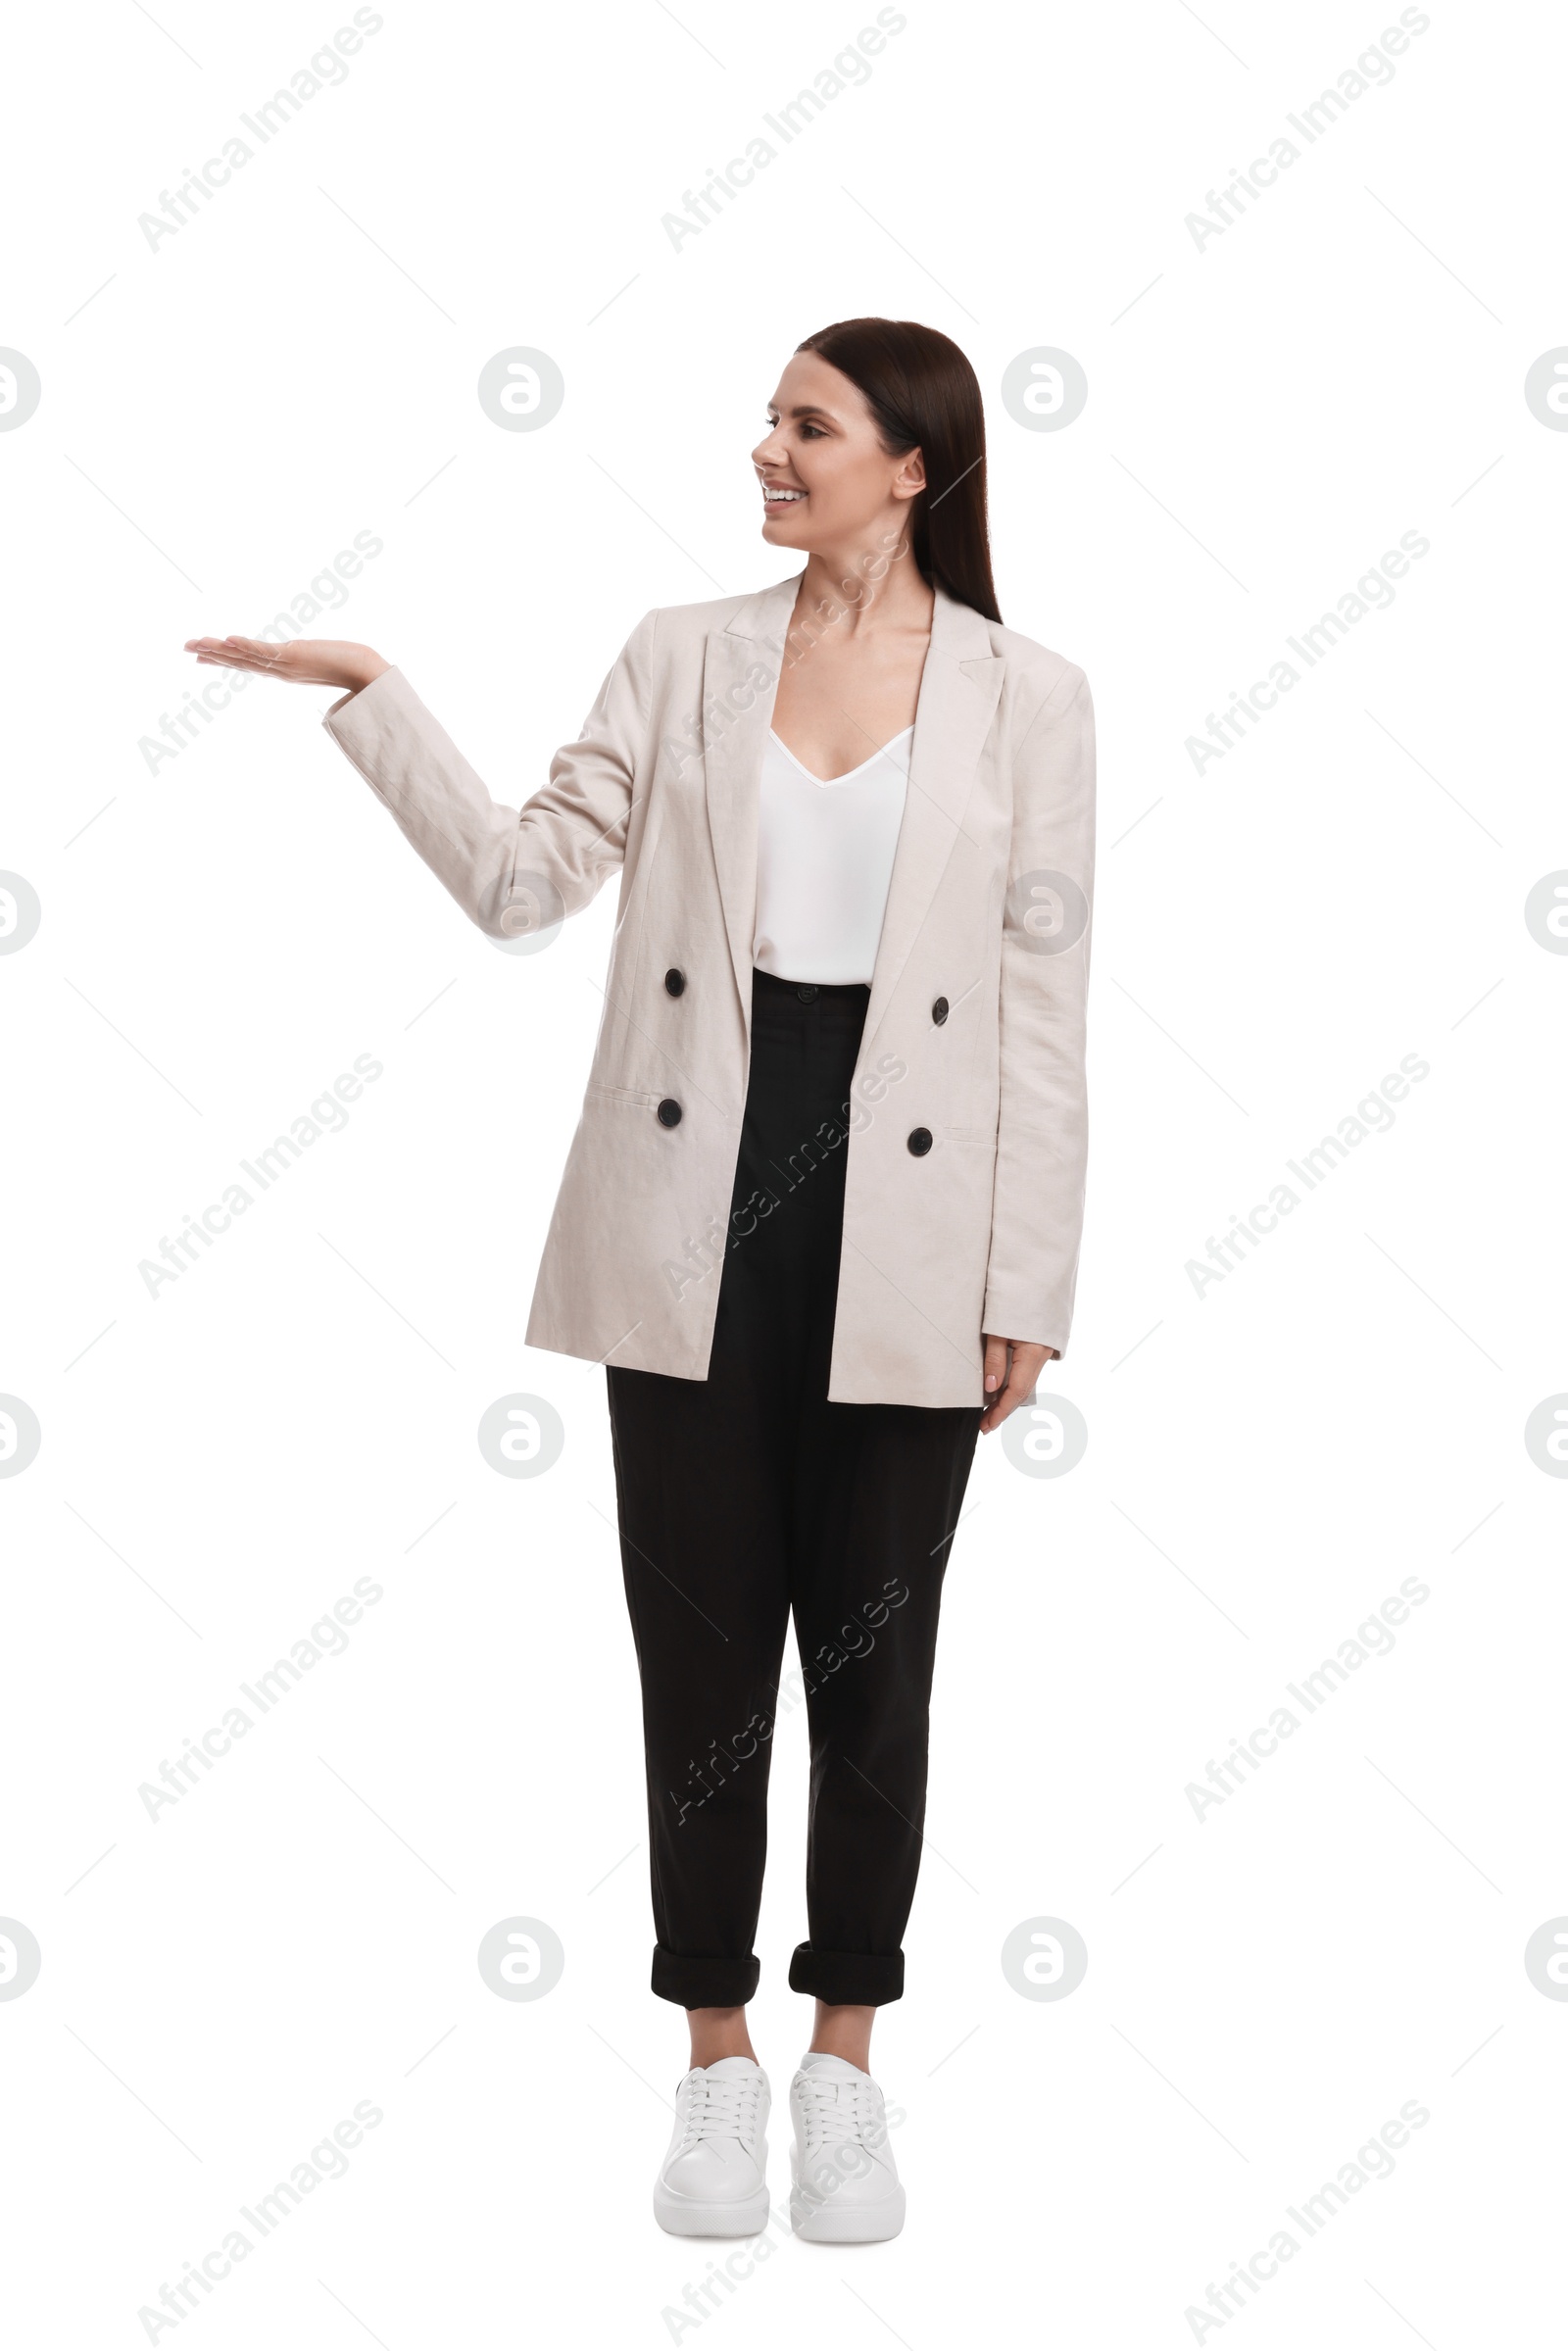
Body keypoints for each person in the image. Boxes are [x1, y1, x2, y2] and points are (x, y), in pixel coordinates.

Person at [184, 315, 1096, 2244]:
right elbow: (525, 886)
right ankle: (711, 2062)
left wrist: (1032, 1273)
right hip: (689, 1194)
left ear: (909, 464)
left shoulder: (1032, 699)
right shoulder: (681, 655)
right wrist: (377, 697)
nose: (764, 449)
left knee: (874, 1662)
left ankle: (845, 2060)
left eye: (805, 425)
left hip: (918, 1219)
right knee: (699, 1662)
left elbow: (1038, 1009)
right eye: (766, 418)